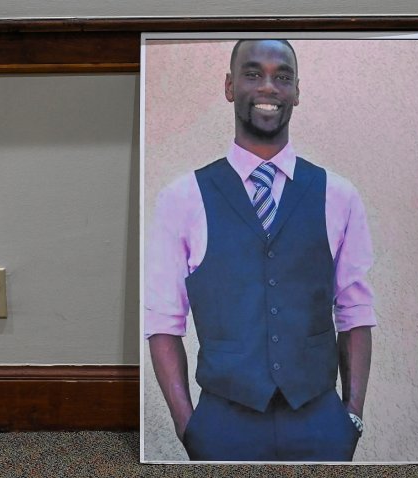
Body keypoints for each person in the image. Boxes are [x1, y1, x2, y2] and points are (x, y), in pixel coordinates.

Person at [145, 38, 376, 462]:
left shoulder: (339, 196)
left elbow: (355, 312)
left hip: (320, 421)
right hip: (222, 423)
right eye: (253, 74)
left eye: (282, 76)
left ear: (297, 92)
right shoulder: (181, 198)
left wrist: (352, 416)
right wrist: (187, 425)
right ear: (230, 86)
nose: (269, 87)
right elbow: (162, 321)